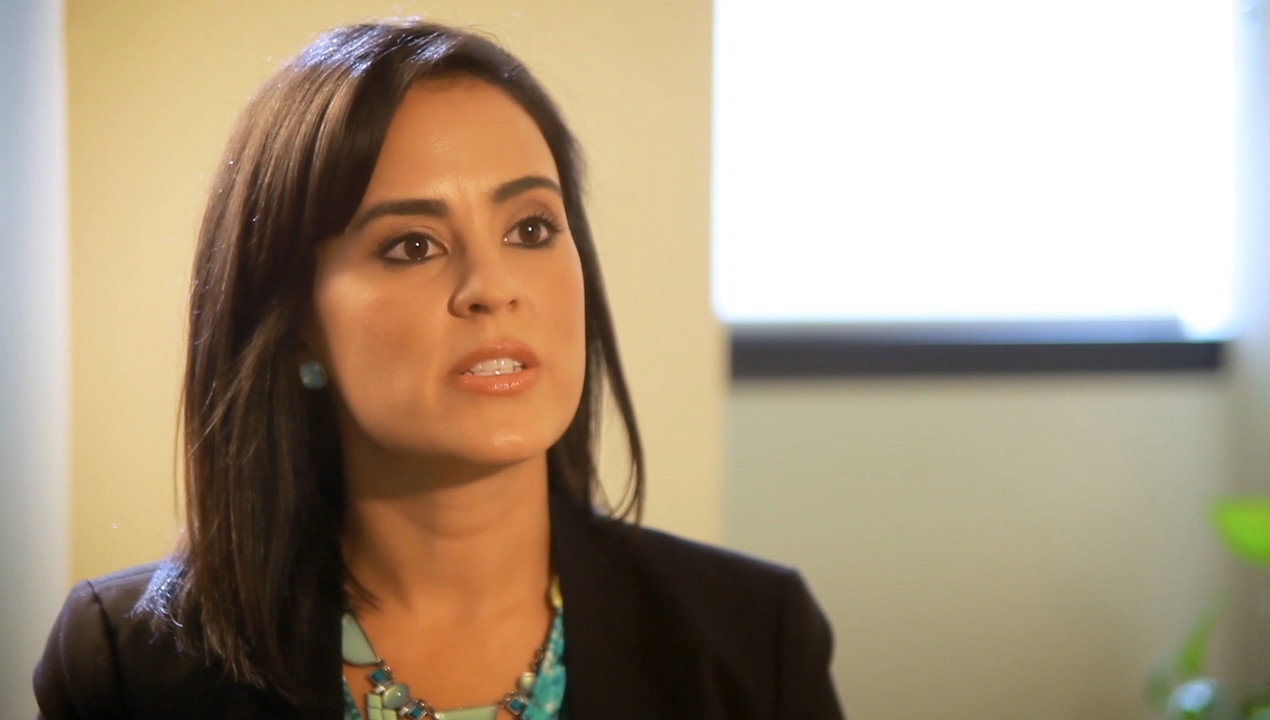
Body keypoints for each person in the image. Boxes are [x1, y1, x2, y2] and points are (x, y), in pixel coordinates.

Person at [33, 20, 843, 720]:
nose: (493, 287)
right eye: (413, 245)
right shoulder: (129, 664)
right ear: (297, 328)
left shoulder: (753, 639)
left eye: (530, 229)